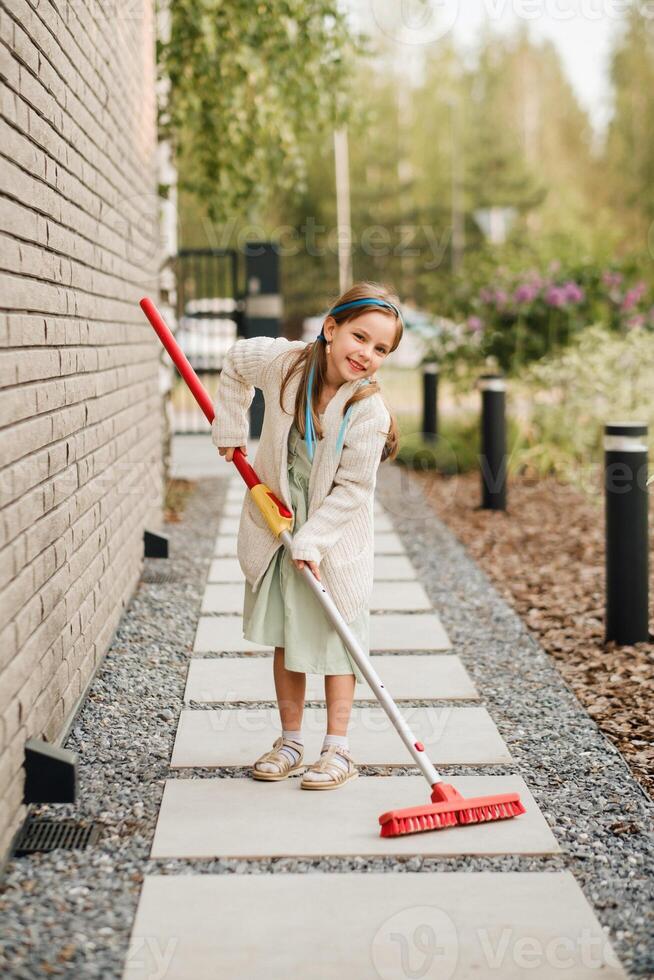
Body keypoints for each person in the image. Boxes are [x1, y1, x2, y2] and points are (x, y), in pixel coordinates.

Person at [211, 281, 403, 789]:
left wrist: (315, 541)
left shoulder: (368, 412)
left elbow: (353, 491)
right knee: (288, 632)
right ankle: (291, 739)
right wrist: (231, 430)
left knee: (339, 641)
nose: (366, 354)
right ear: (331, 327)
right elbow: (234, 361)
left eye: (380, 349)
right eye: (359, 337)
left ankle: (337, 748)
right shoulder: (287, 365)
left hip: (334, 540)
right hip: (280, 523)